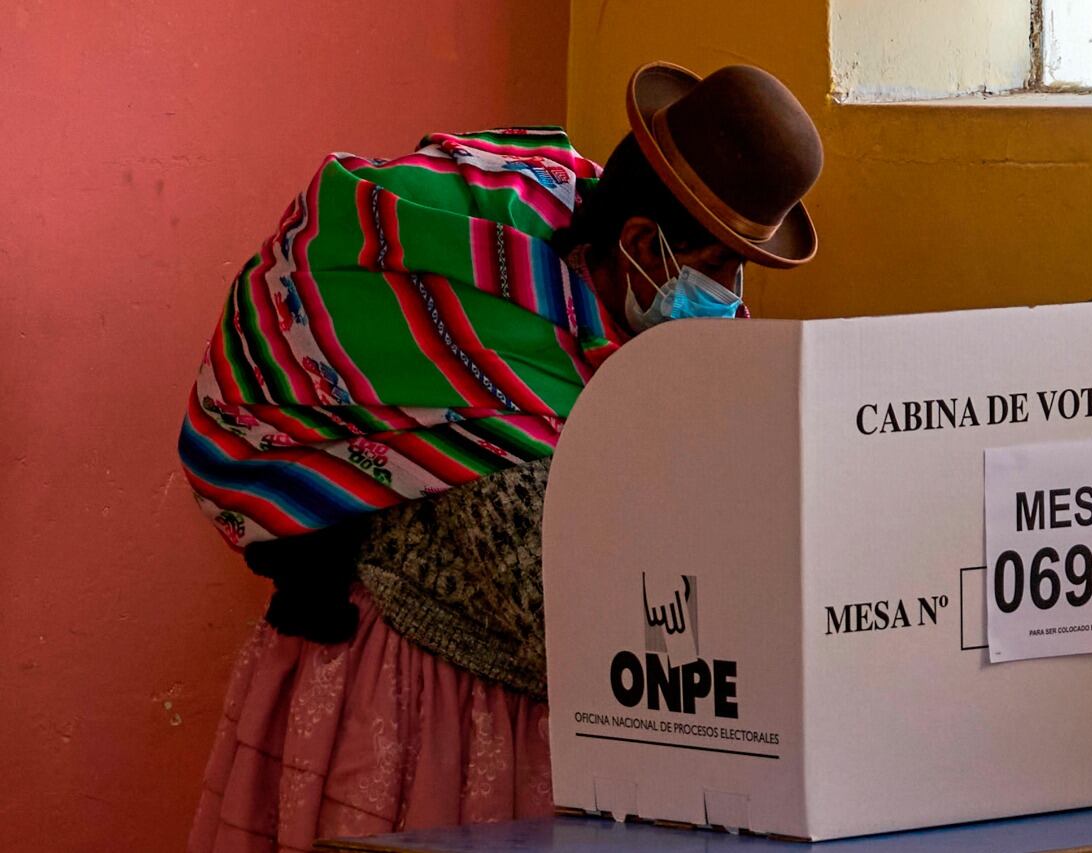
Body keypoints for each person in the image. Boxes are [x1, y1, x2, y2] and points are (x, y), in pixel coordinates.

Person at [181, 61, 823, 853]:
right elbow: (564, 621)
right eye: (720, 271)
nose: (732, 300)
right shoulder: (490, 363)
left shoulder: (599, 255)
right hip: (426, 701)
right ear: (637, 242)